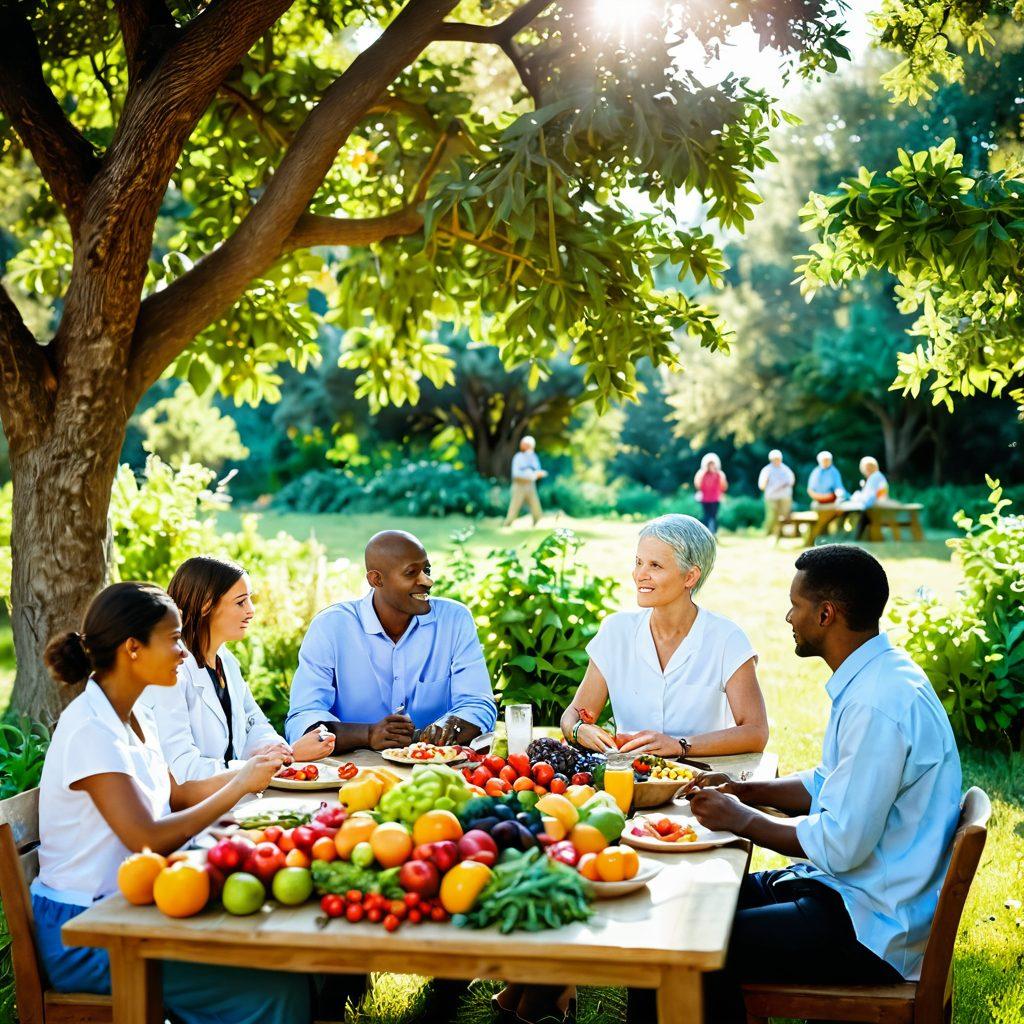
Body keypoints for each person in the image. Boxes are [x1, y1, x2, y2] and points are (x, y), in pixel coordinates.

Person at [673, 545, 962, 1023]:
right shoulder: (878, 675)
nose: (789, 616)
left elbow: (842, 845)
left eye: (797, 605)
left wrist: (742, 820)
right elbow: (831, 782)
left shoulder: (877, 702)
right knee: (694, 900)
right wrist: (749, 791)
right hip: (849, 891)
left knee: (693, 943)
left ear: (826, 614)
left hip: (871, 923)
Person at [33, 582, 312, 1024]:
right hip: (88, 930)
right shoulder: (91, 730)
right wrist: (239, 784)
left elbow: (176, 795)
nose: (184, 652)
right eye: (174, 639)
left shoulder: (137, 714)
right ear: (133, 648)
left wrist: (252, 788)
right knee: (276, 991)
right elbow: (147, 839)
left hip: (138, 905)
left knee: (285, 954)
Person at [560, 513, 769, 758]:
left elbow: (756, 732)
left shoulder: (727, 639)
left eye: (655, 565)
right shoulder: (616, 631)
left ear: (690, 576)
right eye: (638, 562)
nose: (640, 574)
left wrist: (681, 745)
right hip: (630, 779)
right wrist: (577, 729)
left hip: (703, 784)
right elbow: (575, 713)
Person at [285, 530, 498, 751]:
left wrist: (448, 727)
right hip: (349, 774)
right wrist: (367, 735)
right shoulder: (331, 627)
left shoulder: (454, 620)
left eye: (426, 570)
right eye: (411, 573)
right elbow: (303, 718)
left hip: (437, 770)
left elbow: (478, 703)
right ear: (376, 579)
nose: (427, 581)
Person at [142, 556, 334, 781]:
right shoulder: (170, 672)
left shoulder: (226, 660)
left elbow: (255, 723)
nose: (251, 611)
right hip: (191, 808)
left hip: (233, 794)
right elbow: (182, 770)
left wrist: (281, 752)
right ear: (206, 605)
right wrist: (278, 761)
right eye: (241, 602)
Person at [503, 435, 547, 527]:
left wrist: (538, 474)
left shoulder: (534, 457)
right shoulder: (518, 457)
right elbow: (516, 475)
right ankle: (507, 524)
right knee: (514, 507)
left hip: (531, 486)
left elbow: (536, 470)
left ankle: (537, 523)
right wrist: (531, 476)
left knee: (535, 506)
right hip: (519, 485)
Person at [757, 449, 796, 537]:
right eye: (774, 459)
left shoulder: (786, 469)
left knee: (785, 517)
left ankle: (781, 534)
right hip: (771, 497)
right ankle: (769, 533)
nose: (776, 460)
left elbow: (792, 481)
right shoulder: (767, 470)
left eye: (778, 458)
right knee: (771, 517)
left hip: (785, 497)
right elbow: (761, 485)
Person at [693, 453, 727, 534]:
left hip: (715, 499)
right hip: (706, 499)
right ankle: (706, 532)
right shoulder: (702, 474)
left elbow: (723, 486)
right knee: (707, 516)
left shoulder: (718, 474)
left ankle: (713, 533)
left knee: (713, 516)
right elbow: (698, 485)